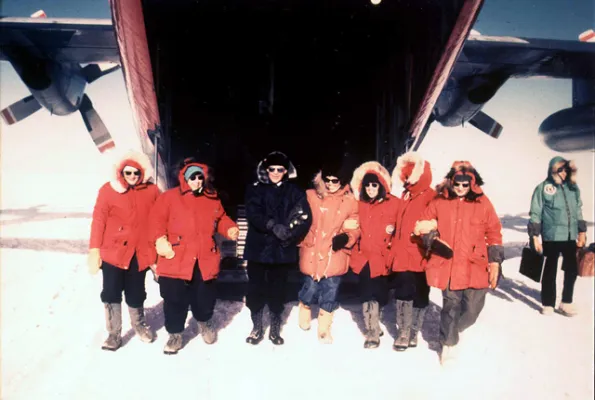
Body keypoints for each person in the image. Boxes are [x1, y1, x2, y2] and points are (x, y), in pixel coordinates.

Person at [414, 161, 503, 365]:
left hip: (475, 264)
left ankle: (452, 329)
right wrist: (430, 238)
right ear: (451, 182)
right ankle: (448, 344)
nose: (461, 188)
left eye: (465, 184)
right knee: (451, 305)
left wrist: (495, 261)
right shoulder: (440, 202)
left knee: (472, 309)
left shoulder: (483, 203)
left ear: (472, 183)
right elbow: (423, 224)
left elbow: (494, 232)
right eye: (457, 184)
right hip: (449, 263)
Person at [149, 158, 239, 354]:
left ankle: (205, 322)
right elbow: (155, 221)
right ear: (184, 178)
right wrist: (160, 239)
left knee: (205, 297)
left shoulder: (212, 198)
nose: (197, 181)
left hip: (204, 257)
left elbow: (221, 218)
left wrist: (229, 228)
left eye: (200, 177)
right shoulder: (169, 197)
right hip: (176, 257)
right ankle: (175, 334)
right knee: (174, 299)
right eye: (193, 178)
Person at [88, 150, 160, 351]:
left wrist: (159, 247)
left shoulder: (152, 191)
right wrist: (94, 249)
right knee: (111, 292)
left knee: (136, 292)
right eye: (128, 173)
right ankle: (114, 333)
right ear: (121, 172)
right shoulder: (108, 191)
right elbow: (99, 221)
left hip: (139, 253)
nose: (132, 177)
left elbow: (160, 218)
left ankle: (139, 325)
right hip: (113, 253)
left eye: (136, 173)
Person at [243, 151, 312, 345]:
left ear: (286, 171)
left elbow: (305, 216)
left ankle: (275, 328)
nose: (275, 172)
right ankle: (257, 327)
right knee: (255, 289)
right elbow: (253, 213)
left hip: (282, 250)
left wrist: (291, 234)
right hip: (258, 249)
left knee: (278, 289)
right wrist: (272, 225)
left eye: (279, 169)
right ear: (265, 169)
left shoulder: (295, 192)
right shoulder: (255, 189)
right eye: (271, 169)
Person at [298, 162, 360, 344]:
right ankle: (305, 306)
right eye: (328, 180)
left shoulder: (350, 202)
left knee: (330, 290)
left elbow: (356, 226)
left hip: (335, 253)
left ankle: (324, 328)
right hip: (312, 250)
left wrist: (346, 238)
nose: (331, 184)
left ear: (342, 182)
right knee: (309, 286)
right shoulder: (310, 196)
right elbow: (299, 216)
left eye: (336, 181)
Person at [528, 156, 587, 316]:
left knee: (572, 270)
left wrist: (582, 232)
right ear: (553, 170)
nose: (563, 173)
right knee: (549, 270)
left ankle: (566, 302)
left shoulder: (573, 188)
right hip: (551, 236)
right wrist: (535, 236)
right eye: (560, 170)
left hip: (569, 236)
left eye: (566, 169)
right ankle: (548, 303)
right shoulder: (543, 188)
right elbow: (535, 212)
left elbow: (578, 210)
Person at [349, 161, 399, 349]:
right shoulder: (358, 204)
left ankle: (375, 323)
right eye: (367, 185)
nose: (370, 189)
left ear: (381, 186)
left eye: (374, 185)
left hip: (384, 259)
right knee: (367, 294)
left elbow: (402, 228)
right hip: (364, 258)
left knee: (380, 295)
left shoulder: (394, 203)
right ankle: (371, 332)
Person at [389, 152, 435, 351]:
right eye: (405, 177)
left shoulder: (431, 196)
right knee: (403, 292)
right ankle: (404, 332)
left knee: (421, 294)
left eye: (410, 177)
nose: (406, 181)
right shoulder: (405, 196)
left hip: (422, 254)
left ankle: (414, 331)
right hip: (403, 254)